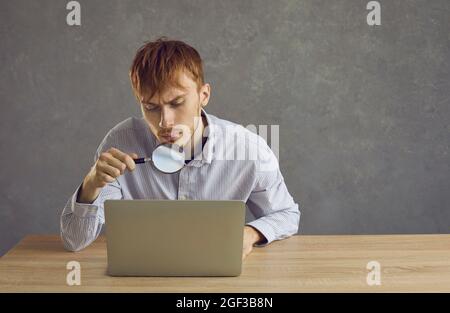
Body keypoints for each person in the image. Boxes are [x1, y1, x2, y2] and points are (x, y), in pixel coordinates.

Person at [60, 37, 300, 260]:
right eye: (151, 107)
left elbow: (287, 215)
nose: (165, 122)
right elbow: (74, 241)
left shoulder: (249, 148)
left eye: (177, 103)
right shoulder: (121, 142)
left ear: (203, 95)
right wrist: (91, 184)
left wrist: (250, 234)